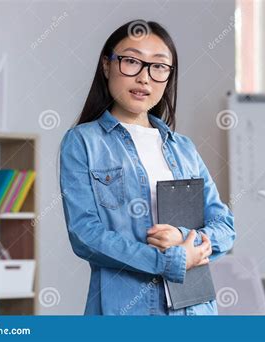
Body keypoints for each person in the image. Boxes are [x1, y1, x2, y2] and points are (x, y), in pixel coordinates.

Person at [59, 19, 235, 315]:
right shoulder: (82, 142)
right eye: (131, 61)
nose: (145, 78)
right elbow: (86, 235)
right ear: (107, 65)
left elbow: (225, 228)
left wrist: (181, 238)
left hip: (196, 311)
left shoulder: (183, 148)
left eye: (159, 67)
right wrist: (170, 261)